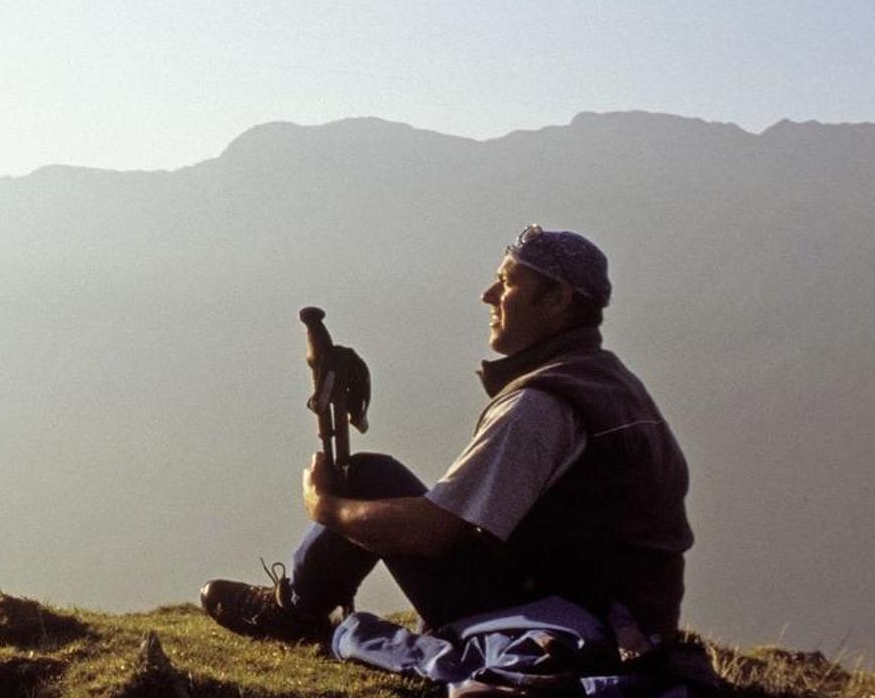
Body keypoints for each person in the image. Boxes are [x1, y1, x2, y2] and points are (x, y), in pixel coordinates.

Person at [202, 226, 692, 655]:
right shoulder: (610, 383)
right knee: (375, 475)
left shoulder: (541, 406)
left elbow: (431, 531)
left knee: (367, 481)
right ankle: (298, 604)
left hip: (560, 623)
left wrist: (325, 505)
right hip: (620, 616)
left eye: (507, 282)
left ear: (556, 299)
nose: (488, 295)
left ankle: (292, 612)